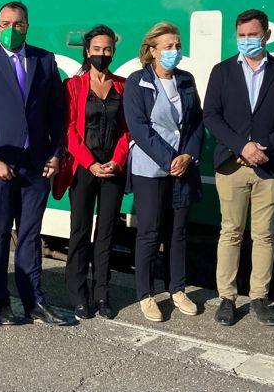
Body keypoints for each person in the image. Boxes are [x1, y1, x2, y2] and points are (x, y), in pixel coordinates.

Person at [0, 1, 67, 326]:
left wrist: (56, 152)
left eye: (18, 24)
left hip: (36, 165)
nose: (11, 29)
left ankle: (34, 300)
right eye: (5, 23)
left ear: (27, 26)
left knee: (31, 235)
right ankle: (0, 301)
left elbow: (59, 113)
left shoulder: (45, 60)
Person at [203, 9, 274, 327]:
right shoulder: (221, 72)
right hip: (231, 166)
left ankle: (259, 297)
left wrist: (265, 147)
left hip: (270, 167)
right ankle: (227, 299)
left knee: (264, 236)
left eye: (253, 35)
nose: (247, 41)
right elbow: (212, 116)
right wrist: (241, 146)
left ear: (266, 35)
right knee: (230, 232)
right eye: (242, 36)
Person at [124, 22, 204, 323]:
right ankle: (145, 294)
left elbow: (196, 122)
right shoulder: (137, 82)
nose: (175, 51)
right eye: (168, 46)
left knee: (178, 232)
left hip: (182, 168)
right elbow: (139, 127)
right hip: (150, 169)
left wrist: (188, 156)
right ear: (152, 51)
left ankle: (177, 289)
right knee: (149, 232)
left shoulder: (186, 80)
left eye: (177, 45)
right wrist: (171, 158)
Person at [53, 25, 129, 320]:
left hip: (113, 168)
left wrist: (117, 161)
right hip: (84, 168)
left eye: (107, 49)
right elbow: (69, 130)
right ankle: (78, 294)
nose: (102, 54)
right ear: (87, 51)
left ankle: (102, 294)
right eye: (97, 49)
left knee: (107, 233)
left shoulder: (123, 85)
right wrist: (90, 162)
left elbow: (127, 129)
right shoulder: (72, 86)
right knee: (80, 231)